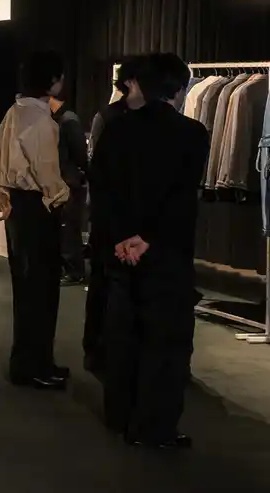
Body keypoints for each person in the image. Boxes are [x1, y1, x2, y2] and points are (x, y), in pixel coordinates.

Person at [91, 53, 208, 449]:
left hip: (120, 251)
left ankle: (119, 415)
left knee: (123, 334)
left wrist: (122, 237)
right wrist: (148, 238)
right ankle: (153, 426)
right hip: (166, 252)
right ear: (179, 89)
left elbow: (102, 191)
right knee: (166, 341)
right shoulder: (191, 133)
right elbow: (181, 198)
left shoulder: (116, 129)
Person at [0, 51, 70, 391]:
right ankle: (36, 364)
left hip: (16, 205)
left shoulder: (14, 112)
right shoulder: (41, 120)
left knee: (25, 287)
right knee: (42, 289)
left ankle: (30, 361)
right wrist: (62, 197)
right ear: (51, 80)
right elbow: (47, 172)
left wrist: (3, 192)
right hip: (37, 207)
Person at [84, 56, 146, 374]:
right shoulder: (109, 118)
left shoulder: (148, 119)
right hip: (110, 219)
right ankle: (96, 349)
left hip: (136, 220)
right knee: (103, 285)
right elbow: (98, 171)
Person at [50, 91, 89, 286]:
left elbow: (80, 152)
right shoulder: (59, 120)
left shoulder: (68, 120)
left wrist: (79, 174)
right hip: (62, 181)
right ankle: (67, 268)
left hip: (70, 182)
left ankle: (74, 271)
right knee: (63, 227)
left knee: (69, 228)